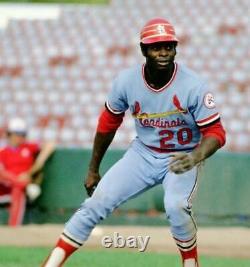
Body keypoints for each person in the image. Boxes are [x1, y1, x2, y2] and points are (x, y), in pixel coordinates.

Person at [41, 18, 226, 267]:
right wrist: (93, 169)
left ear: (175, 49)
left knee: (176, 206)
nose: (163, 52)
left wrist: (195, 157)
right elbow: (107, 125)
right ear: (143, 50)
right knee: (95, 203)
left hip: (182, 156)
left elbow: (216, 132)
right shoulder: (126, 82)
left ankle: (190, 262)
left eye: (168, 46)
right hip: (144, 153)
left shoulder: (194, 86)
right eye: (155, 46)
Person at [0, 117, 55, 226]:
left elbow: (50, 145)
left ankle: (13, 227)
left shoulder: (29, 147)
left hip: (21, 185)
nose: (20, 137)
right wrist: (16, 179)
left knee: (18, 189)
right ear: (9, 134)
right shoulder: (3, 151)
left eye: (22, 134)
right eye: (17, 134)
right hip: (7, 184)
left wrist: (36, 166)